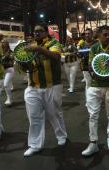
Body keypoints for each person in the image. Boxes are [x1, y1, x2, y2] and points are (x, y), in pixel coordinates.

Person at [22, 23, 67, 157]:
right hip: (33, 86)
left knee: (54, 114)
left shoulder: (54, 43)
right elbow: (25, 64)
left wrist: (39, 49)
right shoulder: (29, 45)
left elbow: (56, 57)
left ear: (46, 33)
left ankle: (61, 135)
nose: (37, 33)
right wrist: (23, 62)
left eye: (40, 31)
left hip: (52, 85)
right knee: (34, 117)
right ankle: (35, 145)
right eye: (35, 31)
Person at [82, 25, 109, 156]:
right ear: (99, 35)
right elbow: (90, 65)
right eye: (105, 34)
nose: (108, 37)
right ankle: (93, 143)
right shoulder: (94, 48)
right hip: (95, 86)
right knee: (93, 115)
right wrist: (94, 68)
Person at [1, 38, 15, 106]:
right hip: (2, 71)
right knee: (7, 85)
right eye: (2, 42)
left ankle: (9, 99)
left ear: (7, 44)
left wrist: (5, 57)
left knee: (6, 84)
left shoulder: (11, 52)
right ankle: (9, 98)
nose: (2, 43)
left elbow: (12, 60)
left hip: (9, 70)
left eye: (4, 42)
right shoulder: (0, 52)